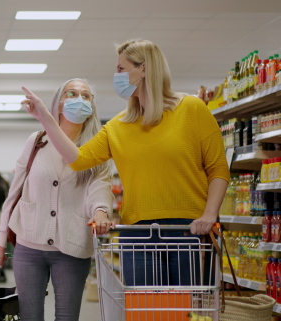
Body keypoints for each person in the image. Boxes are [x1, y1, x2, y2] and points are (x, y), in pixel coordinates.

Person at [21, 39, 230, 290]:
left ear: (144, 69)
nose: (116, 75)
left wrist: (209, 215)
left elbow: (218, 168)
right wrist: (46, 118)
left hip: (188, 231)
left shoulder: (192, 109)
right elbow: (77, 160)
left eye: (121, 68)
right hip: (137, 235)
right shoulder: (119, 126)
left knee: (190, 319)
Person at [0, 78, 114, 321]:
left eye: (86, 95)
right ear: (58, 103)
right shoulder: (37, 140)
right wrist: (2, 240)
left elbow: (99, 186)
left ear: (92, 105)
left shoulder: (96, 147)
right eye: (72, 93)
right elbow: (15, 191)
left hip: (72, 248)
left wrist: (101, 210)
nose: (79, 99)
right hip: (28, 245)